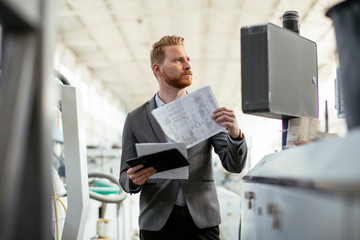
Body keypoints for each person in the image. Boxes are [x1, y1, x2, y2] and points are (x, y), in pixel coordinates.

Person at [119, 35, 247, 240]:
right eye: (178, 60)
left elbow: (234, 166)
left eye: (188, 59)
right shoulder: (136, 118)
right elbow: (124, 177)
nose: (187, 65)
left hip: (202, 219)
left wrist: (235, 134)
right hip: (156, 222)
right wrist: (133, 181)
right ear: (157, 69)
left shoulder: (207, 109)